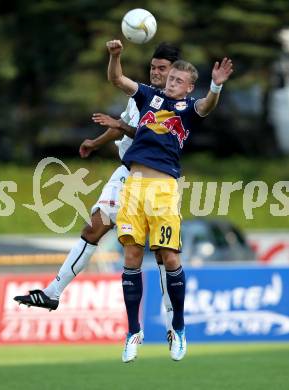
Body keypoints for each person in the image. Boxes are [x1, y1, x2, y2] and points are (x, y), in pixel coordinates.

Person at [14, 43, 182, 339]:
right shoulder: (141, 93)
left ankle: (172, 326)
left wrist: (117, 126)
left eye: (162, 69)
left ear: (174, 72)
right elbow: (124, 124)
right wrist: (95, 141)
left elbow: (141, 131)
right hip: (126, 174)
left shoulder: (176, 103)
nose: (156, 73)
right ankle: (53, 292)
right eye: (153, 67)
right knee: (93, 228)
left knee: (161, 254)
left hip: (155, 181)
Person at [106, 39, 233, 363]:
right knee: (132, 255)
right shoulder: (149, 96)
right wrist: (115, 56)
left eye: (178, 80)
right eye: (170, 77)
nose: (171, 81)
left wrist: (216, 87)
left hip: (163, 190)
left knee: (169, 256)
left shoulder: (187, 109)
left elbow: (207, 105)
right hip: (134, 185)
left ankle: (177, 326)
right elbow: (118, 80)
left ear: (189, 86)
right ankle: (133, 331)